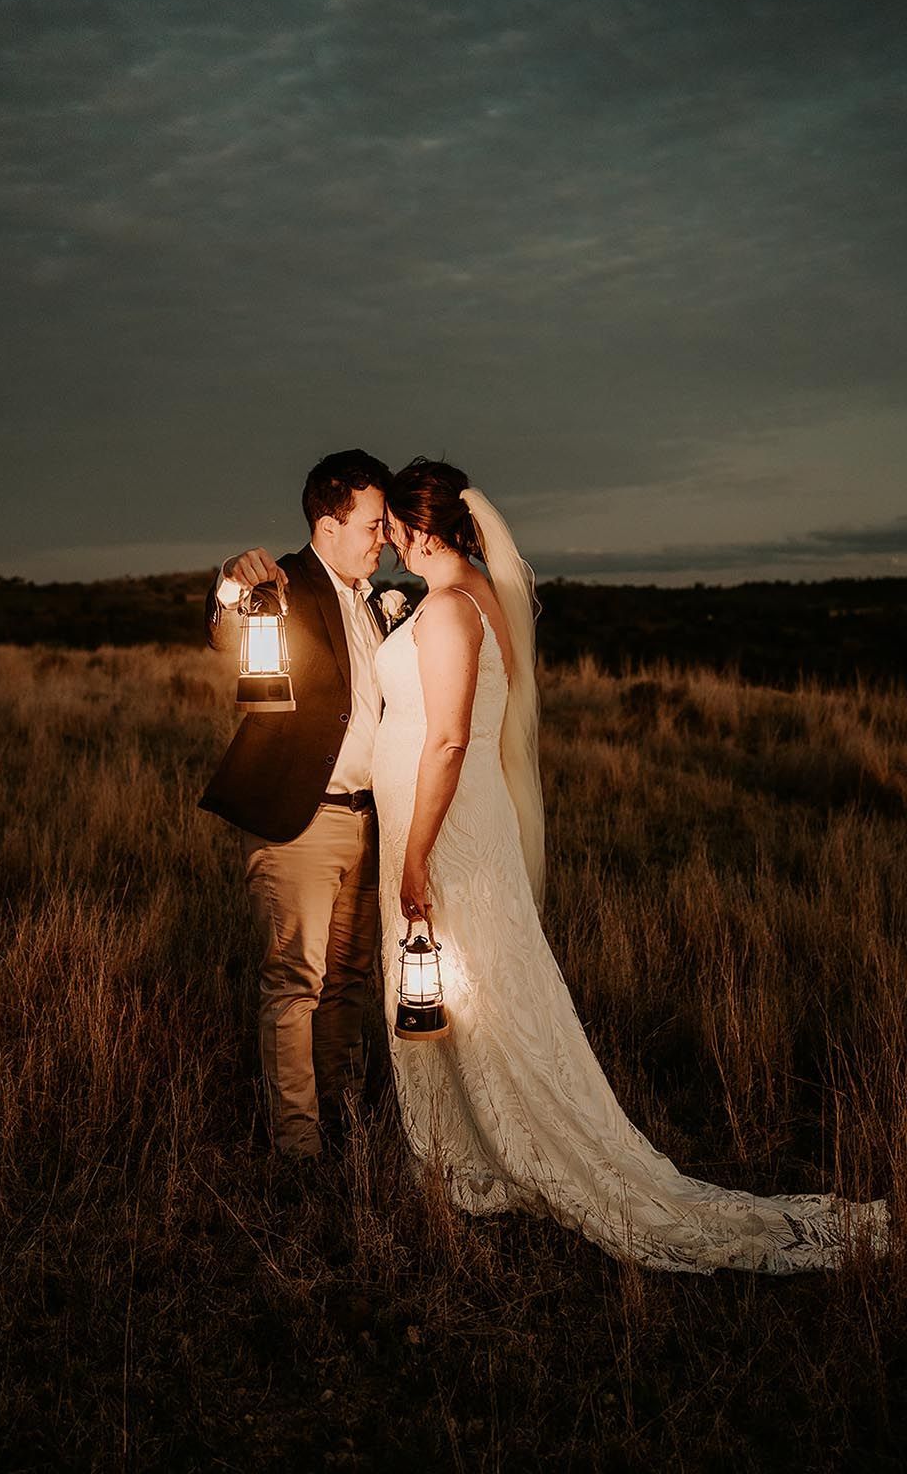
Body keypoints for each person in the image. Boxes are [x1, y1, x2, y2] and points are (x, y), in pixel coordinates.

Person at [371, 458, 891, 1273]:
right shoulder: (481, 598)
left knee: (468, 988)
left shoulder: (444, 614)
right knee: (488, 987)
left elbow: (445, 740)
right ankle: (475, 1150)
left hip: (443, 831)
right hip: (466, 821)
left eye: (395, 525)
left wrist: (411, 859)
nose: (390, 540)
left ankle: (485, 1161)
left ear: (417, 526)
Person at [199, 448, 391, 1163]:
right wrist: (227, 587)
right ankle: (298, 1148)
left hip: (373, 822)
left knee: (349, 982)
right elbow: (228, 633)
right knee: (296, 983)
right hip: (301, 821)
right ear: (329, 519)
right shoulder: (282, 584)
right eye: (373, 523)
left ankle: (344, 1121)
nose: (384, 537)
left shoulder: (375, 604)